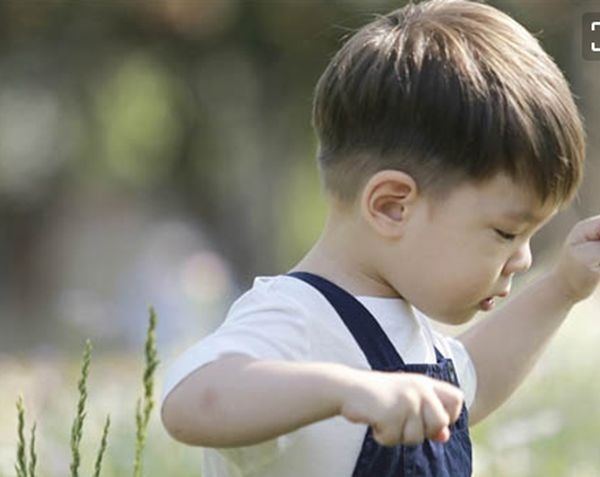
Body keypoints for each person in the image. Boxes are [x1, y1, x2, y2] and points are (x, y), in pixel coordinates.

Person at [161, 0, 600, 475]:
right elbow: (191, 400)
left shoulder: (410, 333)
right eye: (506, 232)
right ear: (393, 206)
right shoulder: (296, 316)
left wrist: (565, 287)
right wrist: (348, 391)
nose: (522, 259)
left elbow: (470, 383)